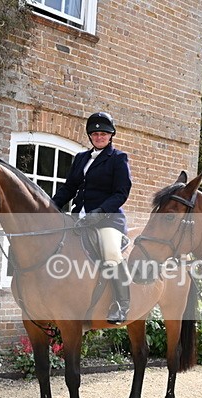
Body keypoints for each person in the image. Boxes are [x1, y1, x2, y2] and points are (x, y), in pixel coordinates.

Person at [52, 111, 132, 324]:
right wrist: (50, 206)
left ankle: (122, 305)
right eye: (95, 134)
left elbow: (121, 193)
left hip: (108, 220)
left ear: (111, 135)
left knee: (111, 253)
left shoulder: (118, 159)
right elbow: (70, 187)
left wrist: (99, 213)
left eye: (103, 134)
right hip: (80, 218)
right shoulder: (81, 159)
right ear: (90, 136)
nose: (99, 137)